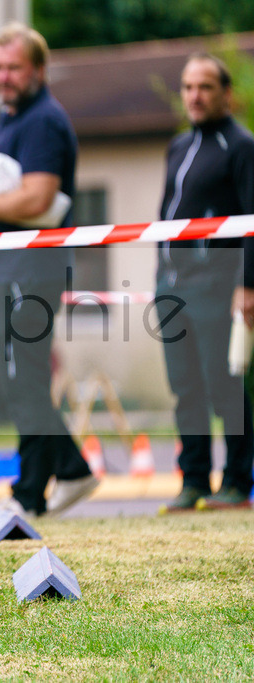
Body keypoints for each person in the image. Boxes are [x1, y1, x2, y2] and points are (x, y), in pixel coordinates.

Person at [0, 22, 97, 517]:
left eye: (14, 67)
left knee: (22, 374)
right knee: (0, 374)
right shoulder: (6, 120)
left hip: (31, 268)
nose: (4, 77)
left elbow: (38, 196)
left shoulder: (44, 121)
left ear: (38, 70)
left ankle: (30, 492)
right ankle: (71, 468)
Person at [156, 53, 254, 513]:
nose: (195, 95)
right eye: (188, 87)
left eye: (205, 87)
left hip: (219, 287)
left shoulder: (241, 146)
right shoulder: (177, 147)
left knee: (224, 386)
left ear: (225, 94)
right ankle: (193, 479)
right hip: (172, 288)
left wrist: (247, 284)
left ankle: (236, 481)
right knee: (185, 388)